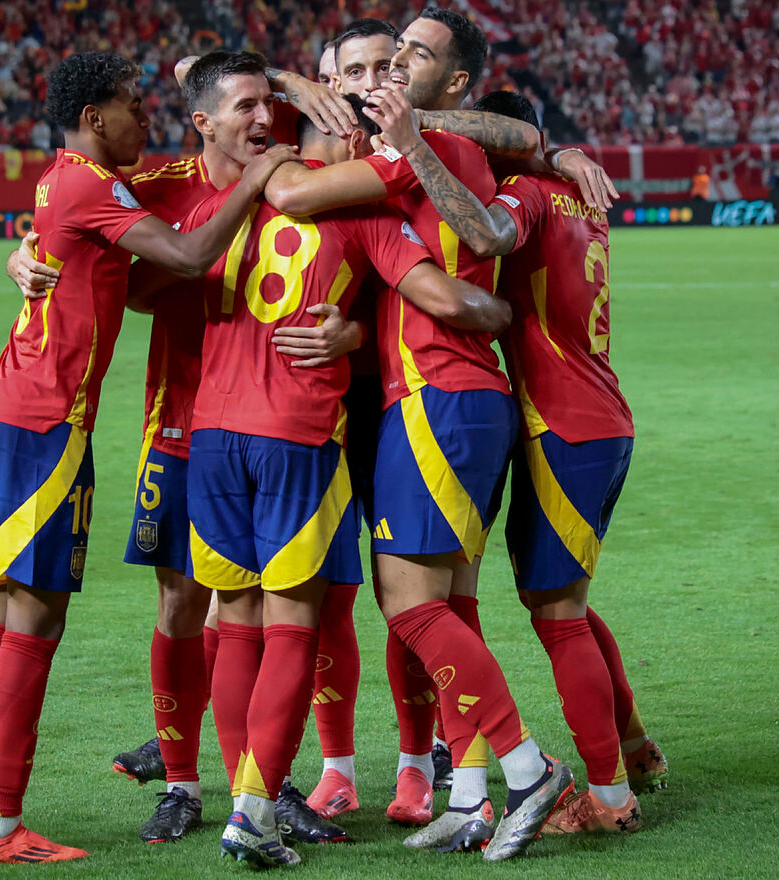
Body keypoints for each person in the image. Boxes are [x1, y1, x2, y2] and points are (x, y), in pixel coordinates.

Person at [0, 51, 295, 866]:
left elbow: (87, 249)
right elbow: (191, 258)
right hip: (46, 424)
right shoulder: (99, 183)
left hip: (6, 411)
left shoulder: (67, 177)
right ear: (95, 118)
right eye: (131, 106)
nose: (143, 119)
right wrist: (258, 178)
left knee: (0, 607)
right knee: (35, 620)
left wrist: (25, 250)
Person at [142, 83, 513, 868]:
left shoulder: (227, 203)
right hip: (298, 440)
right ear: (342, 141)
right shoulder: (362, 215)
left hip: (210, 438)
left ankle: (238, 791)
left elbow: (157, 277)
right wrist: (499, 315)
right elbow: (440, 294)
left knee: (233, 621)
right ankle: (254, 807)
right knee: (292, 630)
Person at [8, 51, 359, 847]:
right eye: (248, 106)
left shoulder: (301, 178)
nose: (264, 119)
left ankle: (264, 786)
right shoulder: (163, 183)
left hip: (281, 423)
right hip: (182, 420)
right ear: (206, 119)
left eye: (271, 104)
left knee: (286, 611)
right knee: (182, 605)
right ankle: (180, 782)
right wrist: (24, 255)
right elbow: (90, 250)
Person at [263, 8, 573, 861]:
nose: (389, 71)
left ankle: (525, 766)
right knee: (446, 602)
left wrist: (302, 126)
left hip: (437, 395)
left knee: (408, 602)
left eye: (406, 58)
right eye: (383, 58)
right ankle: (470, 795)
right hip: (452, 397)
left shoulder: (416, 153)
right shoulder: (434, 149)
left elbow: (290, 193)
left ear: (449, 83)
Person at [373, 86, 668, 835]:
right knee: (563, 602)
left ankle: (605, 797)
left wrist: (416, 146)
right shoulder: (576, 194)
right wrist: (564, 151)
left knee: (559, 617)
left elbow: (486, 235)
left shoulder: (528, 195)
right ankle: (633, 747)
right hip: (599, 416)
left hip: (559, 421)